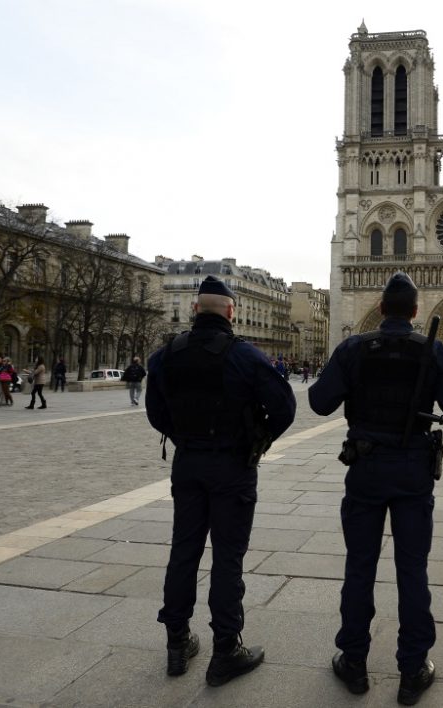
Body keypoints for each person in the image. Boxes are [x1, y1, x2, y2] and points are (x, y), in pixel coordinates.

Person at [309, 272, 443, 706]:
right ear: (417, 312)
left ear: (380, 309)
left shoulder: (355, 348)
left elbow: (319, 402)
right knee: (412, 569)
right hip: (413, 471)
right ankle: (412, 668)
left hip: (365, 468)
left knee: (359, 567)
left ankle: (355, 662)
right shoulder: (431, 350)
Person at [146, 275, 296, 687]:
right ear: (232, 312)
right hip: (232, 465)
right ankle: (226, 649)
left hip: (188, 463)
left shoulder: (166, 355)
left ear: (194, 310)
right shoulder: (244, 356)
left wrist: (185, 438)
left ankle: (177, 642)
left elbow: (155, 411)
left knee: (183, 551)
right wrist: (257, 438)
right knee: (227, 558)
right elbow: (285, 407)